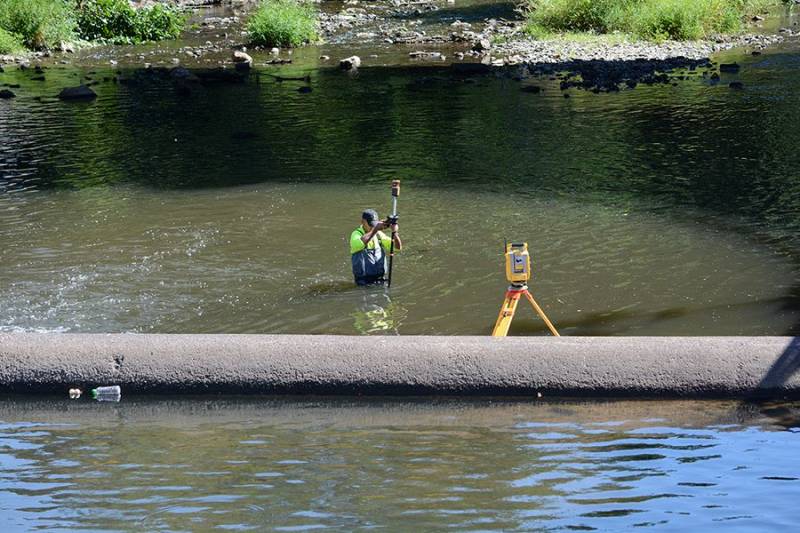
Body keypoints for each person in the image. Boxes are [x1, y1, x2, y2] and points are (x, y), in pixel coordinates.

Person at [349, 209, 402, 286]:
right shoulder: (356, 234)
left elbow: (397, 248)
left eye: (374, 224)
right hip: (363, 283)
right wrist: (376, 229)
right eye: (370, 224)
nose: (372, 227)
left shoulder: (378, 234)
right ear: (363, 222)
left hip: (380, 280)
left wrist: (395, 233)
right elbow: (360, 243)